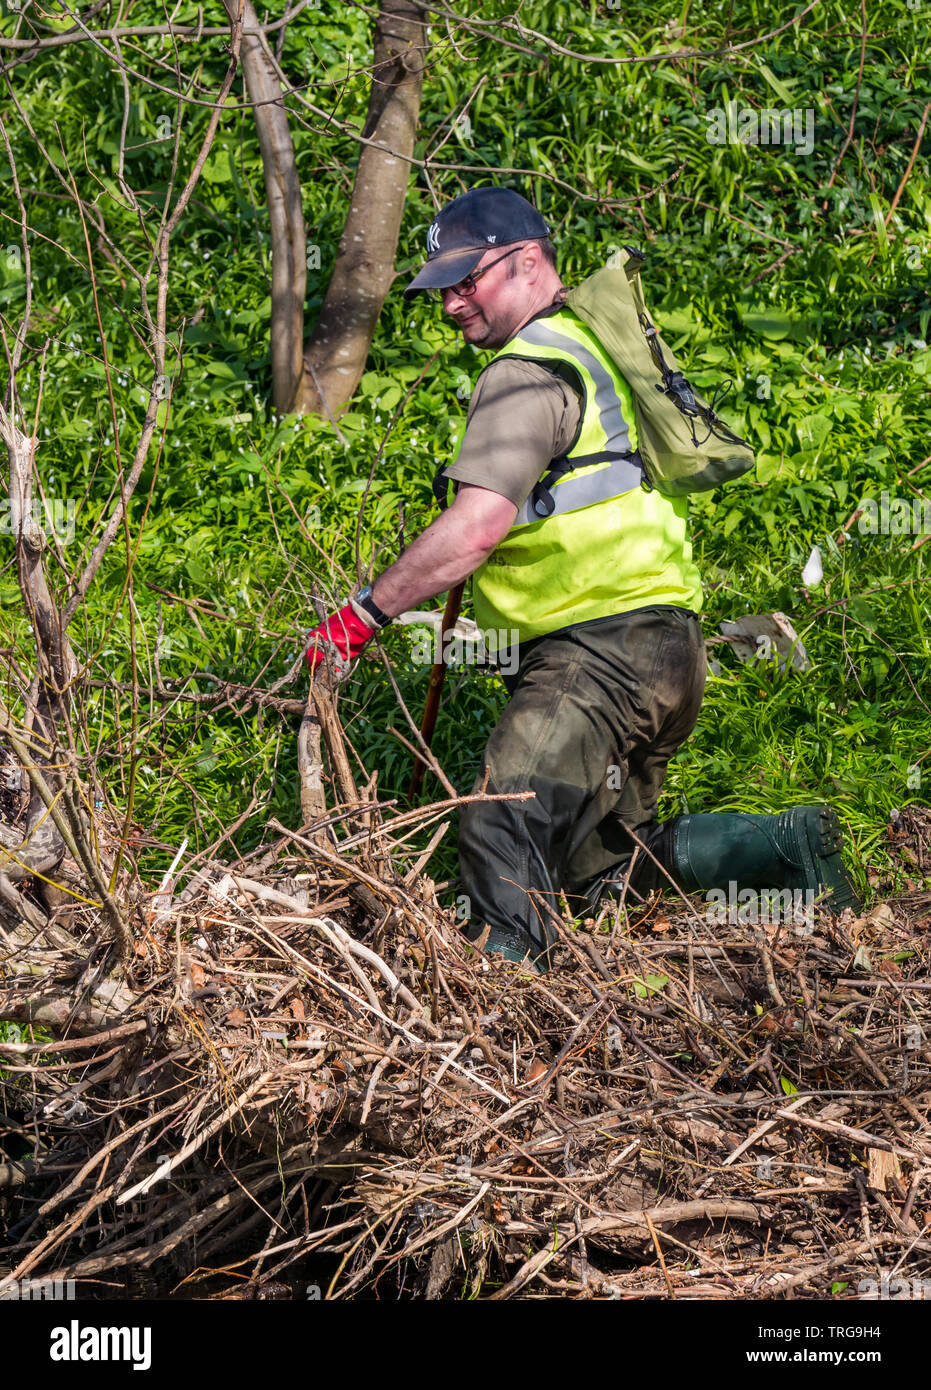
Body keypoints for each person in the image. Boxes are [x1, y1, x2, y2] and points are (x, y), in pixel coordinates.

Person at [305, 186, 859, 970]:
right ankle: (781, 848)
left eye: (468, 282)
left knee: (501, 820)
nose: (451, 304)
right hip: (667, 650)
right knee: (595, 864)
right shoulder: (587, 348)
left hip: (595, 648)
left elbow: (475, 527)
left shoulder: (525, 370)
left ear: (527, 261)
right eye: (443, 288)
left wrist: (362, 614)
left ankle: (495, 1011)